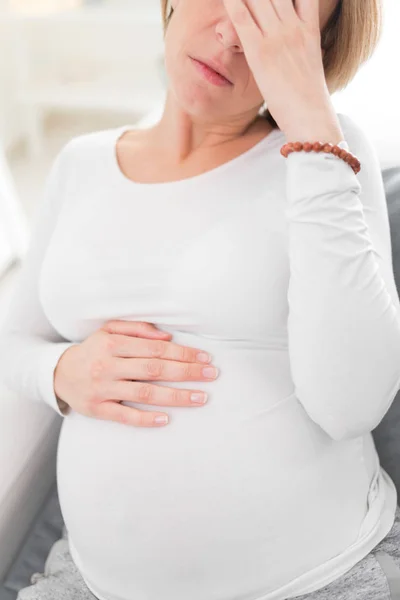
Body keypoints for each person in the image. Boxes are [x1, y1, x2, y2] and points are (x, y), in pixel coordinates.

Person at [2, 0, 400, 599]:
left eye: (275, 22)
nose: (232, 37)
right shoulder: (80, 164)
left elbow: (352, 403)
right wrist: (58, 369)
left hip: (319, 580)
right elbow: (13, 340)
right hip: (89, 585)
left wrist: (315, 129)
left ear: (308, 57)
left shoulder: (329, 158)